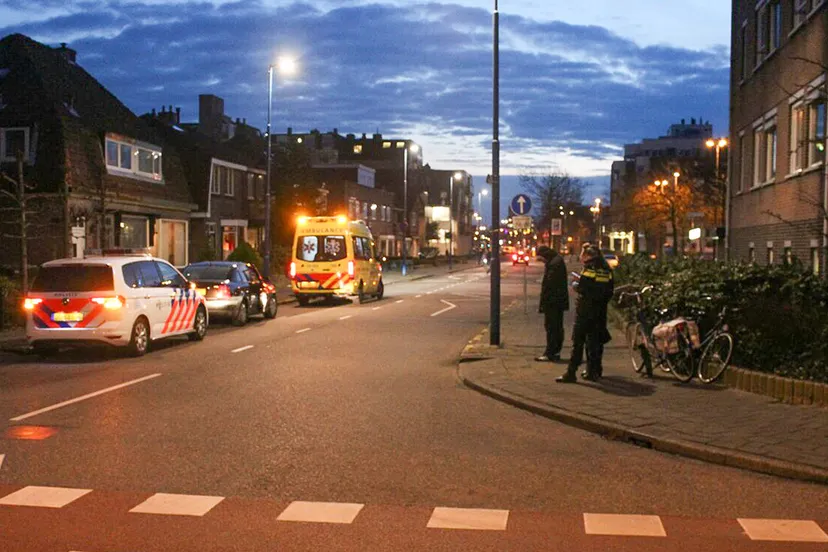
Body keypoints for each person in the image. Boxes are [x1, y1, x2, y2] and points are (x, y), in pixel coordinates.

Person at [557, 245, 614, 383]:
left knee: (578, 342)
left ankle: (571, 372)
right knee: (595, 342)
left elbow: (583, 288)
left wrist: (576, 285)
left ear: (588, 256)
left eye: (583, 255)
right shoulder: (607, 270)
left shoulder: (589, 269)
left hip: (586, 311)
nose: (582, 257)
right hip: (600, 311)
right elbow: (609, 290)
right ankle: (594, 371)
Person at [535, 246, 569, 362]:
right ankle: (554, 351)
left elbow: (550, 286)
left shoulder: (554, 265)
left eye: (541, 259)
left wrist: (545, 302)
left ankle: (551, 352)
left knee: (552, 327)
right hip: (556, 302)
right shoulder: (556, 262)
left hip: (553, 302)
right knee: (556, 327)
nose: (542, 262)